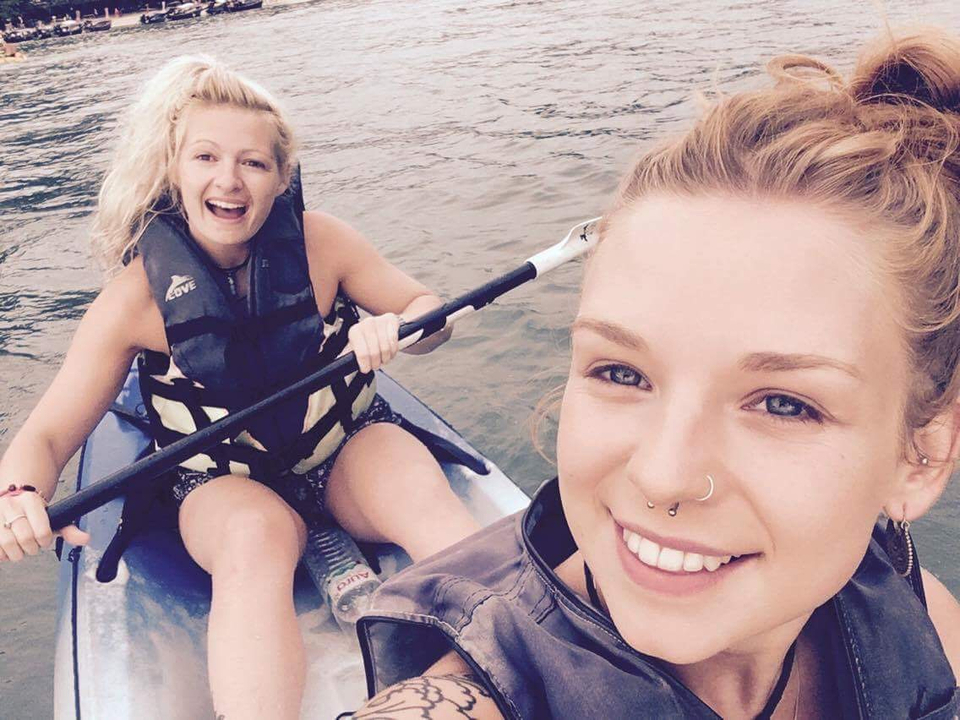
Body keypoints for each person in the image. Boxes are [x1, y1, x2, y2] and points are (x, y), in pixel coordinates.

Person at [353, 29, 960, 719]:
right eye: (621, 372)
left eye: (784, 404)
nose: (663, 476)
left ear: (921, 456)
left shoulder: (919, 610)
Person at [0, 56, 480, 719]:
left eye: (252, 163)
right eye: (206, 157)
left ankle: (512, 649)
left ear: (282, 178)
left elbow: (430, 313)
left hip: (343, 452)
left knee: (411, 486)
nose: (228, 180)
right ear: (174, 169)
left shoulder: (325, 243)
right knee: (254, 539)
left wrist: (404, 326)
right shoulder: (133, 301)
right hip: (223, 486)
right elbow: (49, 435)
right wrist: (19, 495)